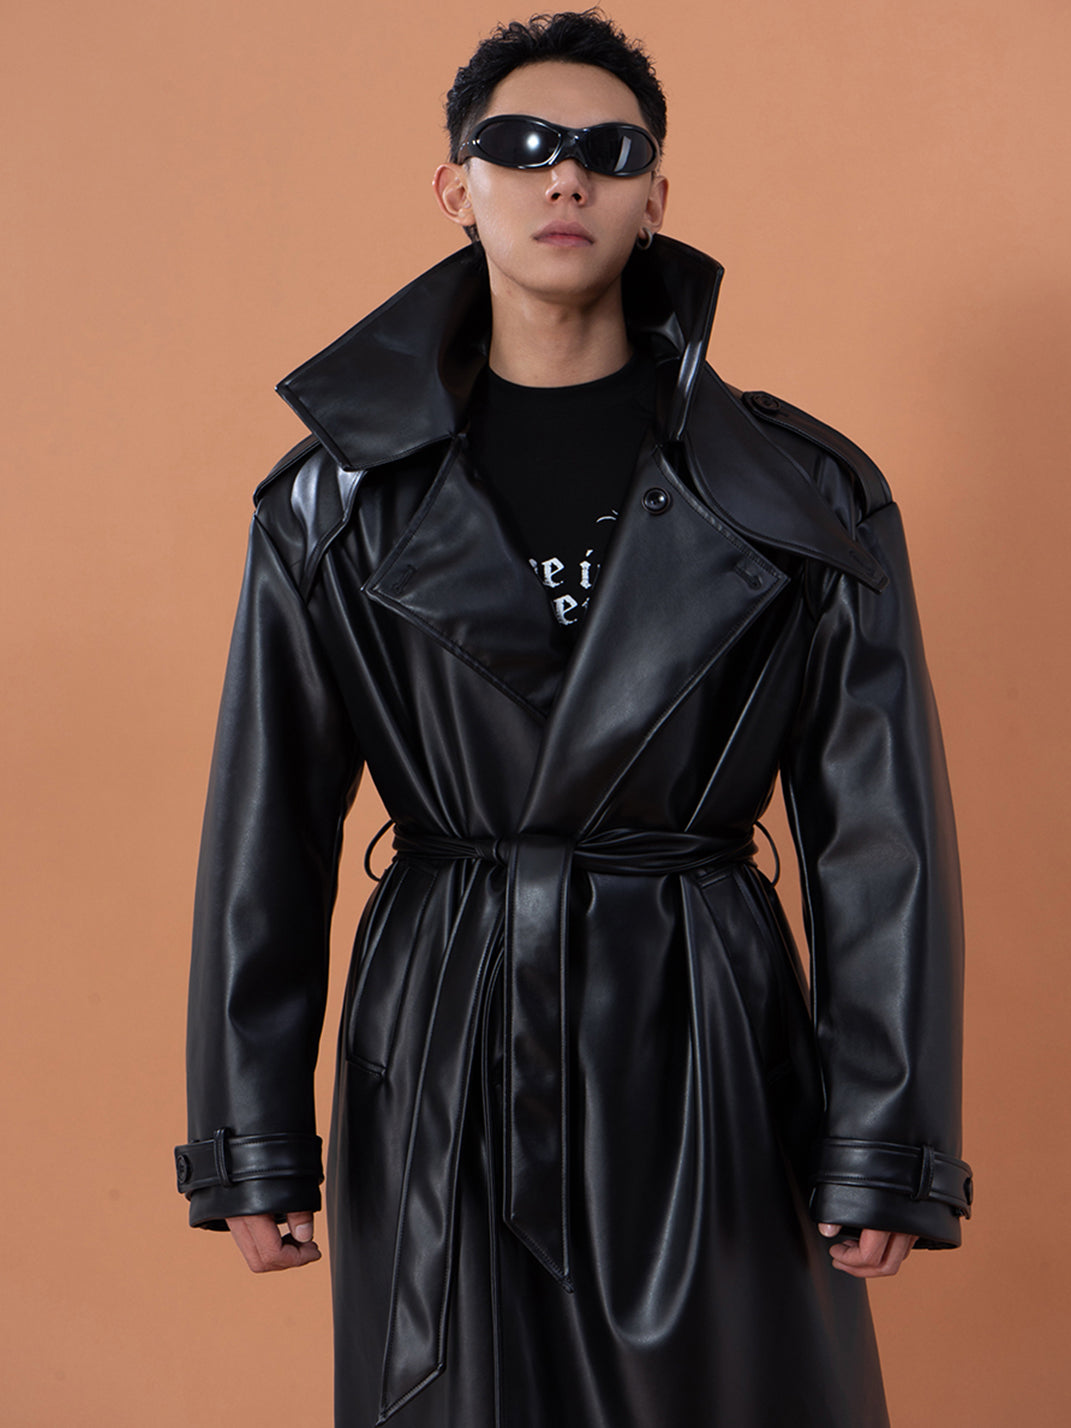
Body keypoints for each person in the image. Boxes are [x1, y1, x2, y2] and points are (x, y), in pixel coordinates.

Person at [175, 11, 972, 1426]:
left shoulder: (801, 492)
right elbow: (268, 827)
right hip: (445, 1029)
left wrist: (884, 1142)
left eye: (609, 149)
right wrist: (253, 1138)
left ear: (656, 195)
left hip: (704, 1027)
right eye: (521, 144)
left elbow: (879, 832)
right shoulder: (333, 496)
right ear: (455, 185)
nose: (565, 176)